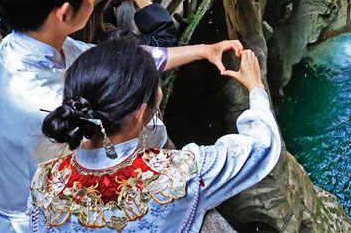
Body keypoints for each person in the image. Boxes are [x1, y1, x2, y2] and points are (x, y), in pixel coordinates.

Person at [0, 0, 245, 232]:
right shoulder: (44, 103)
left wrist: (202, 51)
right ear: (63, 12)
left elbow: (124, 62)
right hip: (45, 219)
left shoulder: (33, 43)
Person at [29, 38, 281, 232]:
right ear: (141, 114)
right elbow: (262, 145)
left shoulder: (43, 182)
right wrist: (256, 88)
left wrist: (203, 49)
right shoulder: (180, 174)